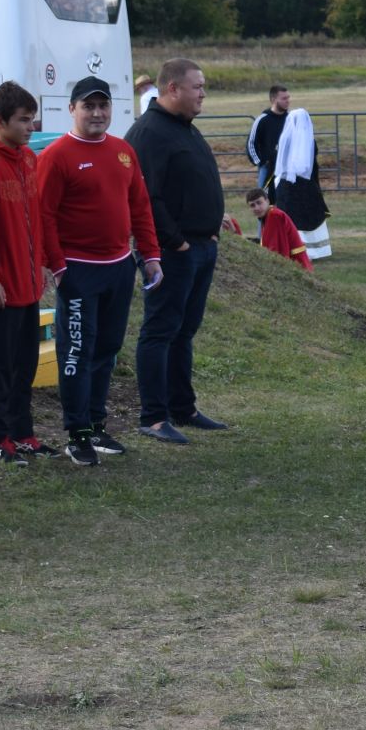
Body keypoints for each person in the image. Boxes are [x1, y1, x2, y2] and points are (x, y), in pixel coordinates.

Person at [37, 76, 164, 468]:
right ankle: (76, 434)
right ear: (72, 109)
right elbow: (42, 215)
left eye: (103, 106)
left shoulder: (123, 151)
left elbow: (140, 208)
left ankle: (95, 423)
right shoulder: (57, 155)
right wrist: (57, 266)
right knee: (76, 352)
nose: (96, 113)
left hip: (118, 268)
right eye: (88, 106)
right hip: (78, 271)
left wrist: (151, 255)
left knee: (106, 350)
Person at [129, 58, 230, 444]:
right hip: (173, 252)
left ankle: (182, 407)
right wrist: (176, 241)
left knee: (184, 331)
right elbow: (145, 197)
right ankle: (154, 417)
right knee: (160, 330)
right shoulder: (150, 133)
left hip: (202, 247)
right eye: (197, 87)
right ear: (172, 89)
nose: (203, 93)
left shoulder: (184, 129)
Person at [0, 82, 57, 466]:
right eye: (23, 120)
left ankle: (22, 433)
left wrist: (43, 264)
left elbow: (34, 218)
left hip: (27, 283)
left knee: (25, 365)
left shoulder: (28, 159)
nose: (32, 127)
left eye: (33, 118)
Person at [273, 108, 331, 262]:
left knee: (292, 215)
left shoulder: (286, 138)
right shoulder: (308, 140)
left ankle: (293, 247)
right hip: (305, 184)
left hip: (286, 185)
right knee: (305, 215)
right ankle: (312, 249)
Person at [246, 188, 312, 271]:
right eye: (252, 205)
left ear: (267, 201)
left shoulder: (274, 216)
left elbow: (278, 250)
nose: (257, 208)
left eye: (259, 203)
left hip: (298, 266)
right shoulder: (268, 215)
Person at [245, 83, 290, 198]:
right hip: (267, 168)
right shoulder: (262, 120)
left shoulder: (291, 119)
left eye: (288, 98)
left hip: (287, 168)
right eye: (284, 98)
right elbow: (251, 143)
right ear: (274, 99)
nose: (288, 101)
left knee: (287, 201)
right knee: (264, 201)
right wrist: (261, 162)